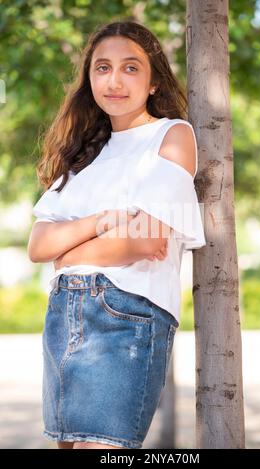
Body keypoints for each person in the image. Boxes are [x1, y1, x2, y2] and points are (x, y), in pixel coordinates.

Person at [27, 20, 206, 450]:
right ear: (89, 80)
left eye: (130, 68)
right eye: (102, 68)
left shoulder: (171, 136)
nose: (114, 80)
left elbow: (145, 241)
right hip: (65, 317)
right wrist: (102, 221)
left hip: (125, 316)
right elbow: (38, 245)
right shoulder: (86, 154)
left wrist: (70, 251)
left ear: (153, 83)